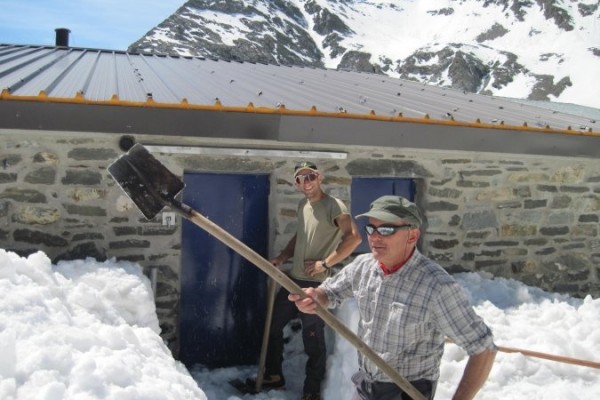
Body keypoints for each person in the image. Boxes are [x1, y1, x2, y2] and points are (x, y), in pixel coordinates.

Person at [289, 195, 497, 400]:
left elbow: (484, 349)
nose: (375, 237)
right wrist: (316, 297)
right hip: (366, 385)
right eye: (371, 228)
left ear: (413, 235)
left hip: (406, 391)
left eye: (387, 229)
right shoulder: (364, 266)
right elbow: (330, 293)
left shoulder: (436, 287)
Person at [248, 161, 362, 400]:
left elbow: (354, 238)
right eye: (299, 179)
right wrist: (282, 257)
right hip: (293, 280)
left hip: (316, 286)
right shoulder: (303, 205)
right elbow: (300, 236)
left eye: (309, 177)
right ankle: (274, 375)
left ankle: (311, 392)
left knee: (313, 341)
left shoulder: (334, 206)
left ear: (319, 177)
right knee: (272, 327)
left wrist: (326, 263)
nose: (305, 183)